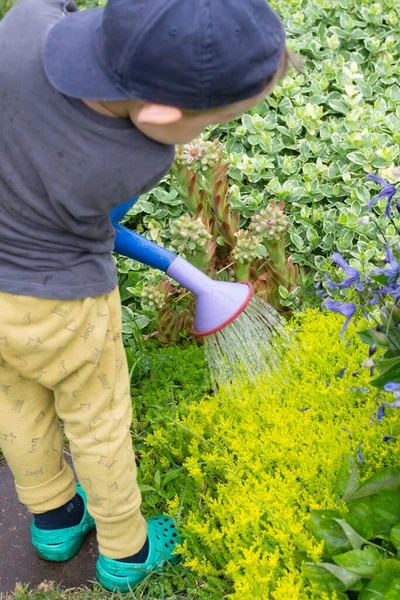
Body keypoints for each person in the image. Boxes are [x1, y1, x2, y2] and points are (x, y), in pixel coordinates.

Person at [0, 0, 295, 591]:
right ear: (159, 115)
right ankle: (127, 552)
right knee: (97, 421)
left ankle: (54, 522)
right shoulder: (139, 155)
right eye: (207, 122)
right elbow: (105, 230)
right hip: (63, 306)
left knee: (16, 403)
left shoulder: (23, 23)